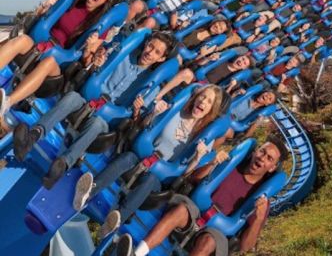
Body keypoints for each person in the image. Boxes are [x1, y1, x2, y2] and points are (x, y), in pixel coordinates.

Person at [12, 31, 177, 188]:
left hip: (107, 118)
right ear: (146, 43)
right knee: (72, 97)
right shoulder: (122, 56)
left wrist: (136, 110)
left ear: (161, 59)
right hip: (89, 99)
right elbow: (94, 71)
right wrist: (96, 64)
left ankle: (62, 165)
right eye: (150, 46)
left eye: (156, 52)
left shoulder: (151, 88)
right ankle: (32, 136)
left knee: (97, 124)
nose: (150, 53)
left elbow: (135, 122)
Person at [73, 84, 226, 237]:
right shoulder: (176, 111)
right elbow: (145, 127)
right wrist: (153, 114)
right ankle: (88, 192)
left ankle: (116, 220)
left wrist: (198, 158)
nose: (203, 102)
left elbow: (186, 174)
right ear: (196, 96)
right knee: (127, 158)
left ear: (212, 109)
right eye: (202, 96)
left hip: (160, 176)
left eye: (209, 101)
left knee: (150, 180)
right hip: (143, 156)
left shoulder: (205, 137)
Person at [116, 139, 287, 256]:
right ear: (255, 152)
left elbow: (245, 247)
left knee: (209, 242)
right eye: (262, 151)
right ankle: (137, 253)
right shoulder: (230, 167)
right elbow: (193, 179)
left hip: (216, 231)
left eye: (268, 158)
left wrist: (257, 219)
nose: (262, 158)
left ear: (271, 168)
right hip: (195, 211)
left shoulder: (262, 200)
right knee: (181, 210)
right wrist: (213, 164)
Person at [0, 0, 126, 119]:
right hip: (40, 45)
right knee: (22, 40)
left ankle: (6, 103)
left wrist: (89, 48)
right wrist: (47, 5)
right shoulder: (72, 2)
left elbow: (86, 62)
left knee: (49, 62)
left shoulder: (100, 27)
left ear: (106, 1)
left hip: (58, 66)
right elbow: (39, 17)